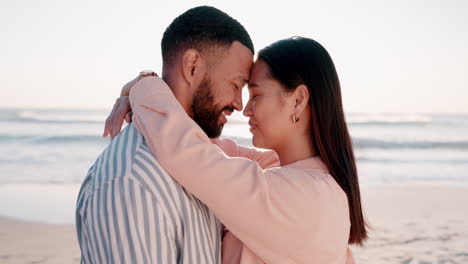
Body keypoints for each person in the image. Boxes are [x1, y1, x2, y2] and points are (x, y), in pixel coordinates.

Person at [108, 37, 368, 263]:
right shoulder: (304, 180)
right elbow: (210, 149)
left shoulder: (301, 198)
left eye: (255, 95)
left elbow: (188, 154)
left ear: (298, 100)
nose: (245, 109)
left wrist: (146, 87)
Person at [75, 6, 269, 263]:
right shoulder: (132, 184)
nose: (238, 103)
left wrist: (145, 85)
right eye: (236, 85)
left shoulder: (203, 157)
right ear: (192, 67)